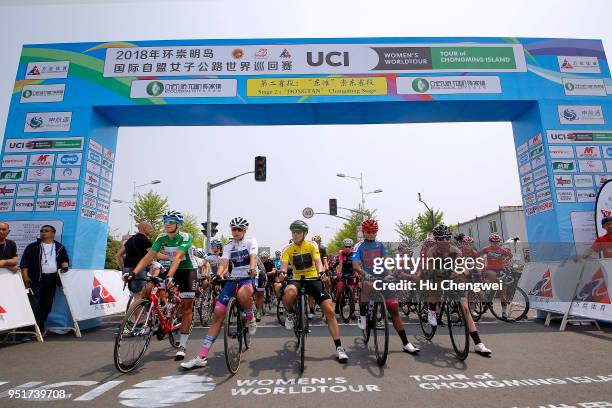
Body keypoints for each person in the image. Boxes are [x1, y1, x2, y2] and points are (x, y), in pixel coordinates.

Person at [181, 217, 258, 370]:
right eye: (233, 229)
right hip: (233, 278)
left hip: (247, 278)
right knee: (218, 312)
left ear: (244, 231)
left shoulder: (250, 242)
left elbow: (253, 258)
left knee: (243, 295)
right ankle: (201, 356)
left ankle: (250, 316)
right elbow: (224, 264)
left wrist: (253, 268)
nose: (236, 231)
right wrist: (220, 274)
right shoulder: (229, 246)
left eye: (239, 229)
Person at [130, 211, 197, 361]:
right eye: (165, 220)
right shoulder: (161, 237)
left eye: (171, 221)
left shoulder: (185, 237)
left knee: (186, 307)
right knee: (148, 287)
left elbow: (179, 257)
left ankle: (182, 345)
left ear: (178, 225)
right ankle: (159, 314)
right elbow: (149, 256)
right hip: (172, 269)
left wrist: (170, 276)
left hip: (187, 271)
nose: (167, 223)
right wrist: (134, 273)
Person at [280, 220, 348, 363]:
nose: (295, 234)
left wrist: (322, 272)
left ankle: (339, 348)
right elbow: (284, 266)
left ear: (305, 233)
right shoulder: (287, 248)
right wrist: (282, 273)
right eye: (293, 232)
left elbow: (317, 261)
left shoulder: (312, 245)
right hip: (297, 279)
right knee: (289, 292)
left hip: (313, 278)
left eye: (298, 232)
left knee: (329, 311)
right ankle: (291, 314)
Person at [353, 219, 420, 354]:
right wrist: (364, 273)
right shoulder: (359, 246)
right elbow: (356, 265)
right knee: (366, 286)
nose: (372, 234)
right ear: (364, 232)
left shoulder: (380, 245)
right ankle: (363, 315)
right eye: (369, 232)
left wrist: (389, 273)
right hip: (367, 275)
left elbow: (387, 261)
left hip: (382, 276)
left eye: (374, 232)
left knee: (394, 309)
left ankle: (406, 343)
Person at [426, 224, 491, 356]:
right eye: (440, 238)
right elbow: (430, 268)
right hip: (438, 275)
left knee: (465, 309)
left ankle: (478, 344)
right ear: (436, 239)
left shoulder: (456, 250)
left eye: (446, 238)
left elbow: (461, 265)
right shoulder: (432, 251)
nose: (444, 240)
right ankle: (431, 311)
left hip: (452, 276)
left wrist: (466, 272)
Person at [19, 224, 69, 332]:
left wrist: (65, 266)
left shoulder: (59, 247)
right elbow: (24, 263)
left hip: (52, 280)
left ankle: (39, 327)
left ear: (53, 233)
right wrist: (25, 276)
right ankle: (30, 329)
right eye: (41, 230)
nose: (43, 232)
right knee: (35, 304)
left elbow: (64, 259)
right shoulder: (33, 246)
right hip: (36, 279)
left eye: (46, 230)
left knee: (47, 305)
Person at [117, 222, 154, 303]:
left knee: (136, 295)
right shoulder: (145, 240)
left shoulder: (130, 239)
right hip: (138, 270)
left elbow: (118, 255)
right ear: (144, 228)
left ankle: (134, 315)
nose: (152, 230)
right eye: (150, 228)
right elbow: (154, 255)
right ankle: (138, 316)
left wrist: (122, 268)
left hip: (127, 270)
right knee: (139, 297)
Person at [480, 233, 512, 319]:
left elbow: (510, 255)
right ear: (490, 242)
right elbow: (479, 256)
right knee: (489, 285)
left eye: (497, 242)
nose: (495, 243)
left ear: (499, 242)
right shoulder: (486, 249)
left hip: (500, 270)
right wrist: (482, 262)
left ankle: (504, 311)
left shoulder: (502, 250)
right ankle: (486, 296)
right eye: (493, 242)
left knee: (502, 291)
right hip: (490, 270)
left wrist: (504, 261)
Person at [334, 238, 357, 316]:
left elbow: (356, 264)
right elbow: (340, 263)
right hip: (343, 272)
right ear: (343, 247)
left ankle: (353, 310)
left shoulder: (354, 253)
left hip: (351, 272)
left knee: (353, 291)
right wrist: (339, 273)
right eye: (346, 247)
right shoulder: (341, 253)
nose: (347, 248)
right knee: (339, 289)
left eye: (349, 246)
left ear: (352, 247)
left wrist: (357, 272)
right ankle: (337, 305)